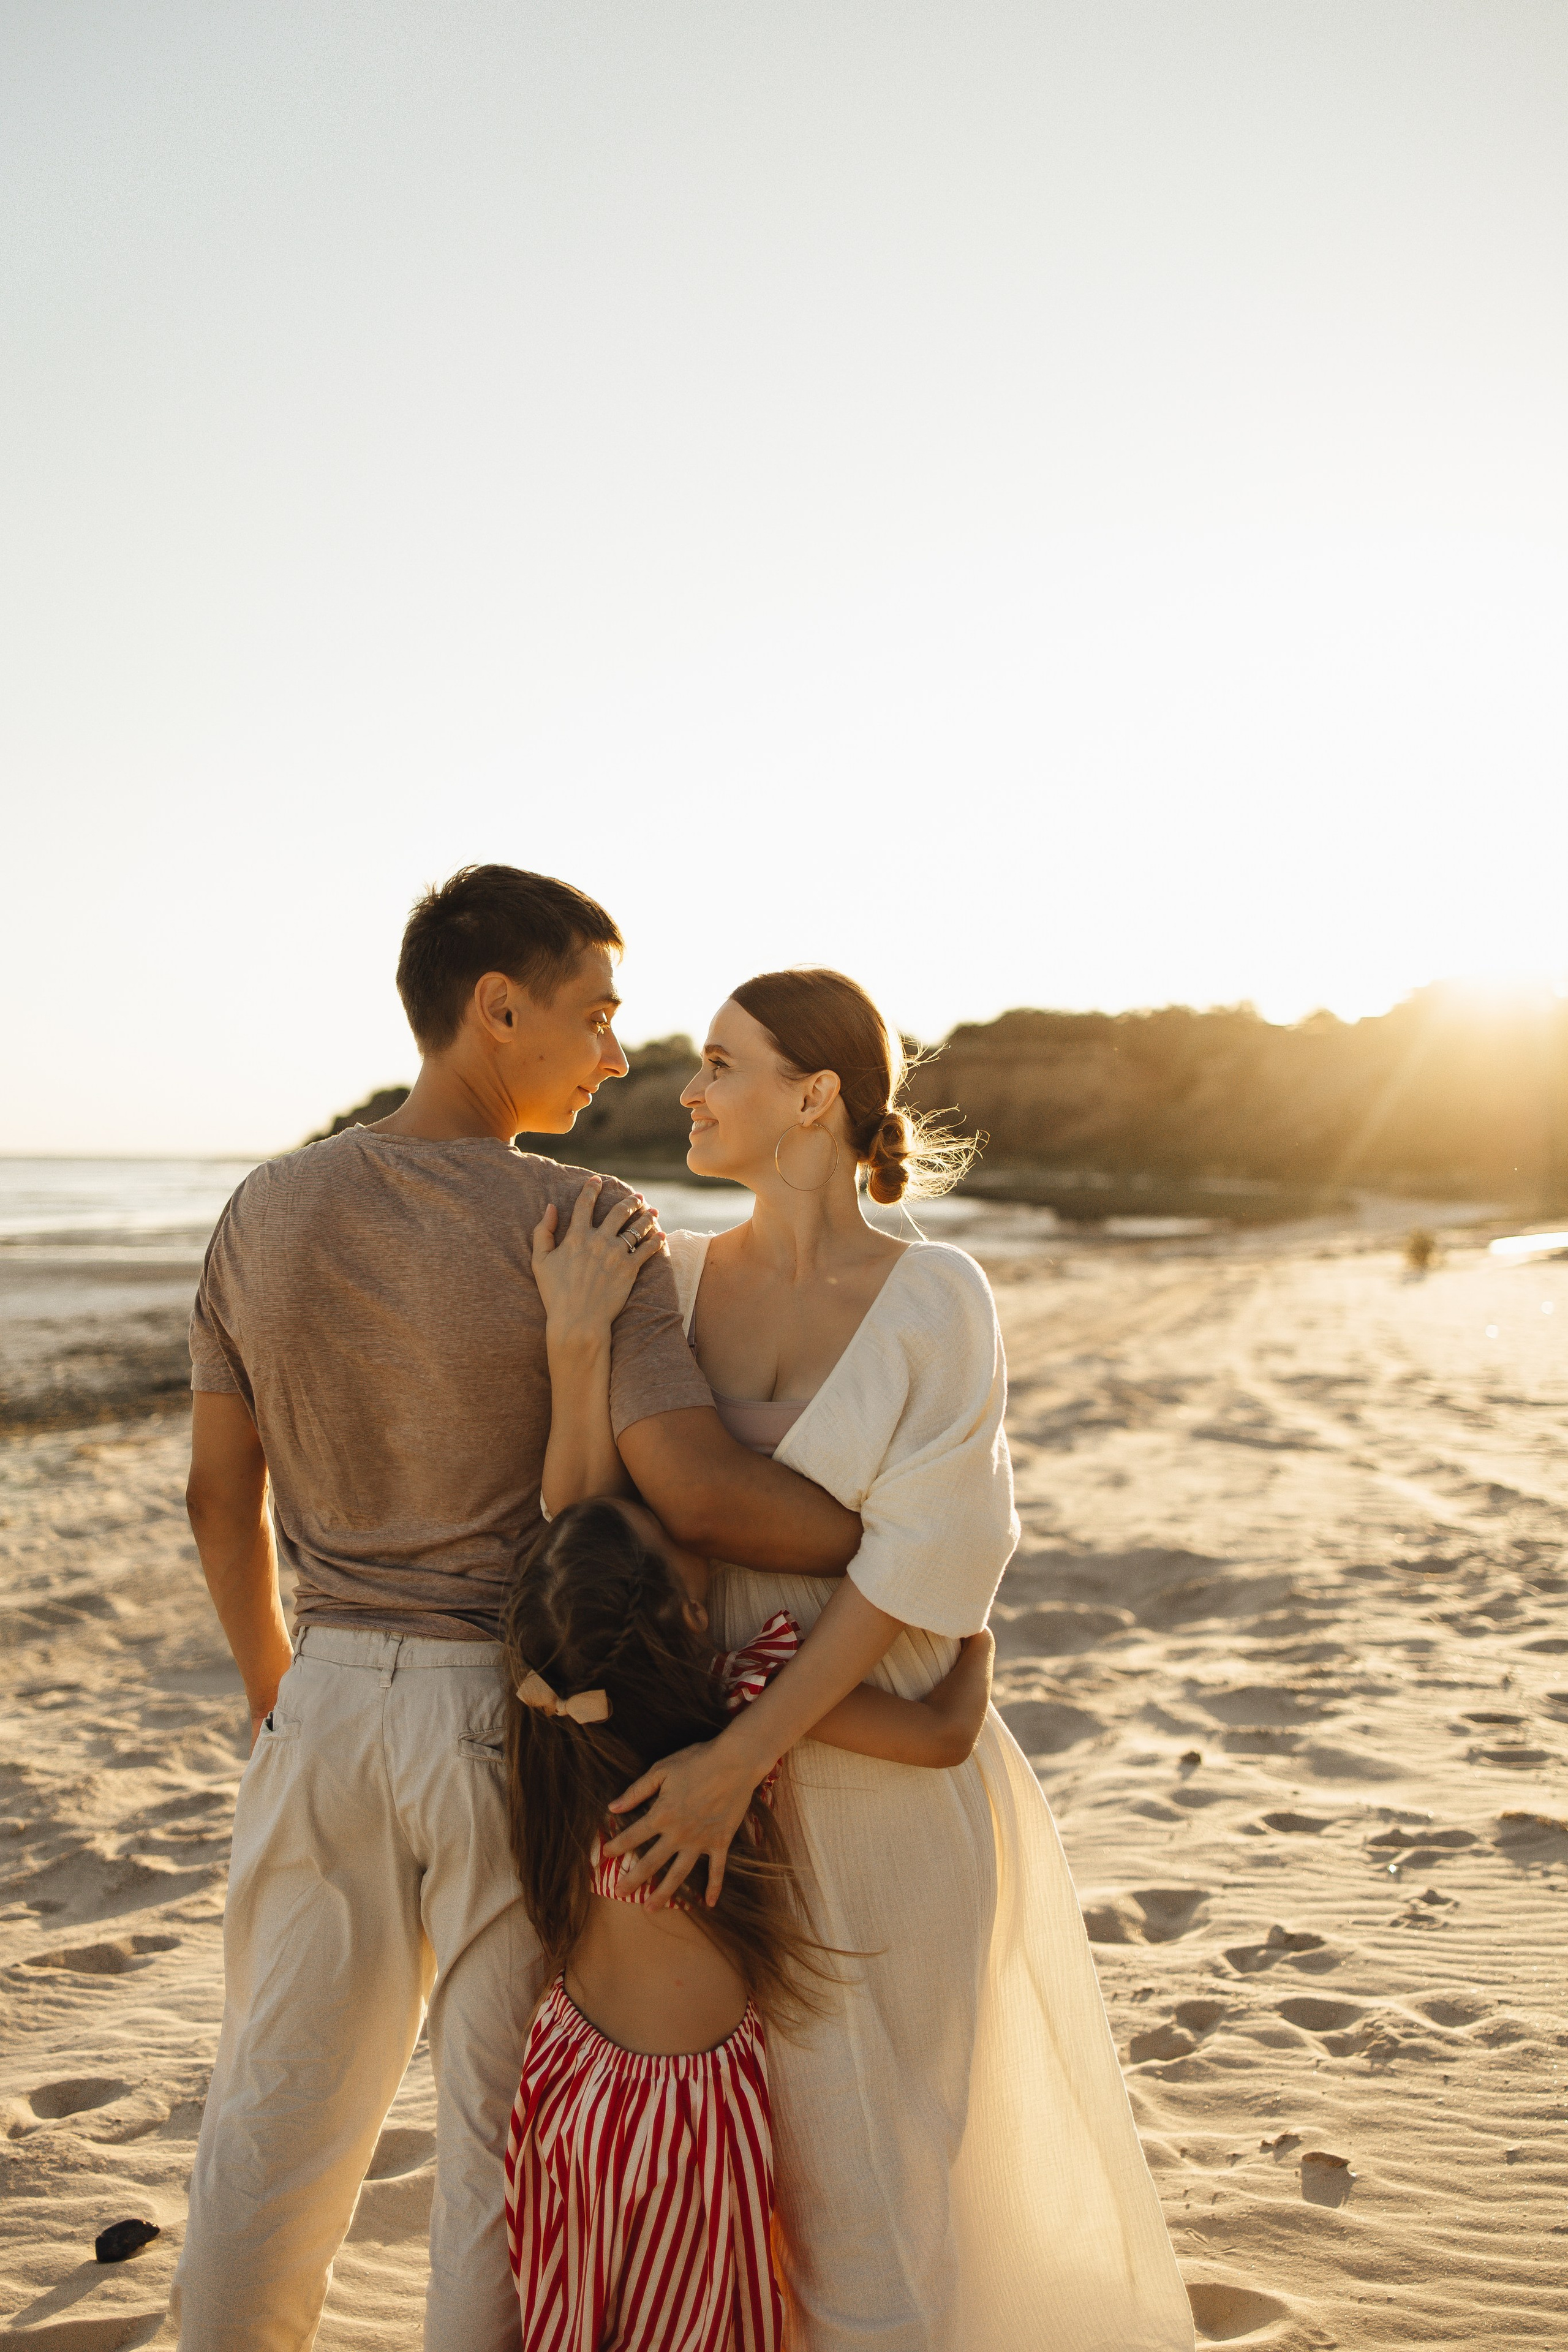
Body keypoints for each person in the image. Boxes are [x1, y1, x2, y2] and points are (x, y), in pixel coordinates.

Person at [172, 867, 870, 2352]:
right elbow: (687, 1486)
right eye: (596, 1015)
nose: (616, 1055)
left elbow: (216, 1500)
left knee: (274, 2114)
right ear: (497, 1008)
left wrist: (275, 1683)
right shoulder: (587, 1221)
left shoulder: (262, 1209)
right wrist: (905, 1541)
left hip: (320, 1701)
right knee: (493, 2138)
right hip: (507, 1721)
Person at [538, 968, 1196, 2352]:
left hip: (866, 1769)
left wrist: (742, 1753)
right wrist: (576, 1342)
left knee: (886, 2184)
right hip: (699, 1770)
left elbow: (926, 1567)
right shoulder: (669, 1278)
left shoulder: (938, 1293)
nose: (687, 1091)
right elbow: (595, 1525)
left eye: (721, 1064)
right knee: (752, 2186)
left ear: (815, 1096)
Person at [497, 1491, 994, 2352]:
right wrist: (977, 1643)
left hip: (568, 2076)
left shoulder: (552, 1734)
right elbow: (946, 1733)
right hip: (680, 2114)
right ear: (691, 1614)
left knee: (582, 2316)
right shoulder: (738, 1713)